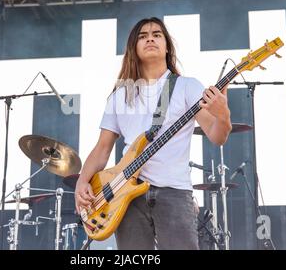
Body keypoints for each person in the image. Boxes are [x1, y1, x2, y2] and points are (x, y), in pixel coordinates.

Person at [75, 17, 232, 250]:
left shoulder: (186, 86)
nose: (150, 38)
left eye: (157, 34)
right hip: (126, 198)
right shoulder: (120, 95)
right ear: (133, 47)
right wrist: (81, 181)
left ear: (167, 46)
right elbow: (102, 149)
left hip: (174, 193)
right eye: (143, 36)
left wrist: (223, 114)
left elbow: (217, 136)